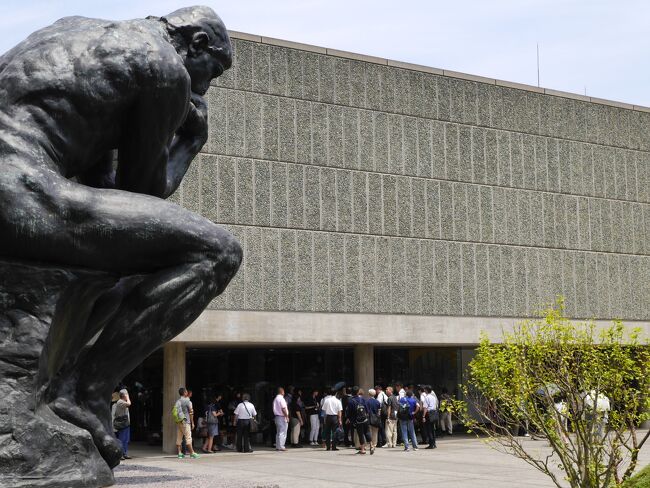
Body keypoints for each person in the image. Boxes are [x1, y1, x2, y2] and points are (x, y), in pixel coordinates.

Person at [346, 386, 373, 455]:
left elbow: (349, 412)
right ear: (358, 392)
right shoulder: (363, 399)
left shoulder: (351, 401)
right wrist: (366, 415)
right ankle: (371, 445)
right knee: (367, 432)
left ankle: (363, 449)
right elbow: (367, 409)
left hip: (357, 421)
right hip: (365, 419)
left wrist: (349, 419)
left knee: (361, 434)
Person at [175, 387, 199, 459]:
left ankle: (179, 453)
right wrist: (192, 422)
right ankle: (192, 453)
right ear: (185, 393)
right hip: (186, 421)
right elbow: (191, 413)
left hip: (179, 421)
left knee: (179, 437)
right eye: (186, 392)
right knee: (188, 437)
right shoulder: (188, 402)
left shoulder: (178, 401)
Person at [112, 389, 131, 460]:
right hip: (121, 424)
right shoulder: (119, 403)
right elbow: (113, 415)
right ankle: (121, 454)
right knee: (122, 439)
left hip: (125, 423)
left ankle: (124, 453)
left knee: (126, 439)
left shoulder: (122, 402)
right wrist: (113, 426)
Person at [273, 387, 289, 451]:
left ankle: (278, 446)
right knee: (283, 432)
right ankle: (281, 446)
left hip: (277, 417)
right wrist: (286, 416)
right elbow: (283, 408)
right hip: (282, 417)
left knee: (278, 432)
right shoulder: (281, 399)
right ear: (282, 392)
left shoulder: (275, 399)